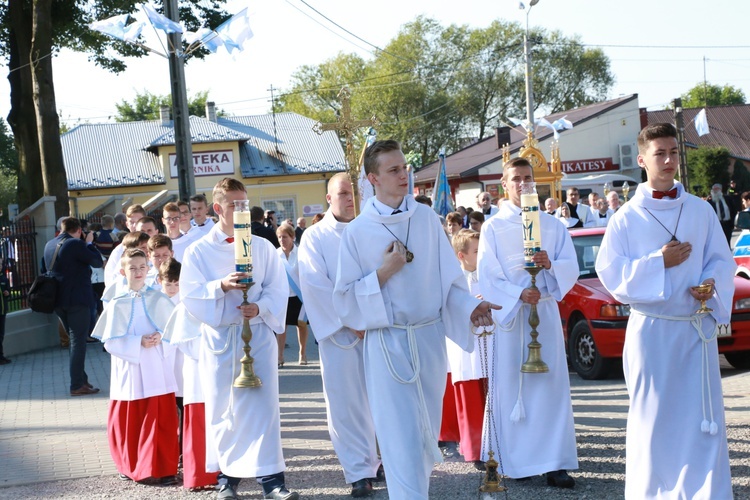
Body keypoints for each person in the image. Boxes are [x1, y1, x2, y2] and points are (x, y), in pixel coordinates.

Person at [333, 139, 499, 499]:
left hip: (427, 341)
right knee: (398, 438)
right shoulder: (358, 232)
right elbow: (344, 300)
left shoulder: (426, 219)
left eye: (404, 167)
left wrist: (470, 306)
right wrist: (382, 274)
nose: (403, 174)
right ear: (373, 178)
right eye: (393, 170)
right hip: (388, 344)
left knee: (424, 437)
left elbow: (449, 282)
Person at [594, 123, 734, 499]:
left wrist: (710, 284)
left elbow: (721, 260)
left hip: (694, 330)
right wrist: (660, 262)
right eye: (660, 153)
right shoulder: (626, 217)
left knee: (701, 420)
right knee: (653, 421)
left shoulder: (699, 210)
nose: (669, 160)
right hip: (652, 333)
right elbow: (612, 275)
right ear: (642, 160)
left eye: (673, 152)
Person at [180, 177, 297, 500]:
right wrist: (220, 286)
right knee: (223, 409)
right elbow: (189, 295)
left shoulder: (262, 246)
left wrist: (259, 307)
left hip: (256, 335)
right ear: (218, 208)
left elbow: (279, 289)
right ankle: (226, 480)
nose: (242, 209)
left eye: (245, 203)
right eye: (235, 204)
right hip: (220, 338)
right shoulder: (197, 251)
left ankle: (272, 481)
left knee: (263, 408)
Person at [477, 157, 579, 487]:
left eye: (527, 178)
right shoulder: (493, 227)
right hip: (512, 320)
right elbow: (487, 276)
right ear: (504, 186)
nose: (523, 184)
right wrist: (518, 294)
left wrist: (550, 267)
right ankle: (516, 461)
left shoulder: (552, 225)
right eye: (515, 179)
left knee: (550, 389)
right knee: (510, 386)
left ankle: (555, 462)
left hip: (544, 316)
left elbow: (570, 268)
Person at [298, 172, 383, 498]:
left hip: (378, 329)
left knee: (383, 400)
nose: (350, 199)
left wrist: (372, 318)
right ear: (329, 198)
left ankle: (384, 459)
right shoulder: (315, 237)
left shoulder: (374, 228)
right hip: (341, 335)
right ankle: (359, 472)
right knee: (347, 405)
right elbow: (315, 285)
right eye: (343, 193)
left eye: (355, 193)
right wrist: (350, 322)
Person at [92, 248, 178, 484]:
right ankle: (134, 466)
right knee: (132, 421)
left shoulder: (159, 298)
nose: (138, 272)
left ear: (149, 269)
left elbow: (175, 331)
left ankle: (163, 466)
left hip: (156, 368)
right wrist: (137, 342)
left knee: (160, 419)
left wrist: (161, 337)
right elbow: (109, 342)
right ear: (123, 271)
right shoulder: (116, 303)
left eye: (142, 267)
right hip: (130, 369)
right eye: (132, 268)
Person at [160, 258, 220, 491]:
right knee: (196, 425)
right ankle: (197, 476)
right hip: (196, 372)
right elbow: (183, 342)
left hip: (217, 372)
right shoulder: (185, 306)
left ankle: (220, 474)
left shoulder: (217, 301)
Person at [43, 217, 104, 396]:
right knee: (78, 342)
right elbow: (97, 262)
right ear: (79, 230)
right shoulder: (76, 244)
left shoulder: (49, 244)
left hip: (58, 301)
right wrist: (90, 243)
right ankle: (77, 385)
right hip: (77, 300)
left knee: (74, 342)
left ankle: (81, 381)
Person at [446, 229, 491, 471]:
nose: (480, 254)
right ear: (462, 256)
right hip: (465, 348)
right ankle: (473, 449)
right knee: (470, 397)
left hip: (489, 343)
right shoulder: (454, 281)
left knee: (490, 396)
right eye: (476, 251)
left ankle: (493, 444)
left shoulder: (488, 274)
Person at [275, 223, 309, 367]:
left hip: (299, 296)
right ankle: (280, 356)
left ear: (292, 237)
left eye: (285, 237)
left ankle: (302, 353)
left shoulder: (301, 253)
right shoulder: (275, 254)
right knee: (281, 327)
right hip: (282, 296)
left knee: (301, 325)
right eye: (280, 237)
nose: (282, 240)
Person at [105, 205, 146, 287]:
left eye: (138, 221)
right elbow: (110, 279)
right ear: (127, 224)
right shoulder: (119, 250)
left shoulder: (155, 247)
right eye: (132, 222)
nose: (135, 226)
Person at [0, 264, 10, 365]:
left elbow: (8, 290)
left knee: (1, 334)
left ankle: (1, 355)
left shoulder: (4, 278)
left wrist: (8, 292)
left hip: (2, 311)